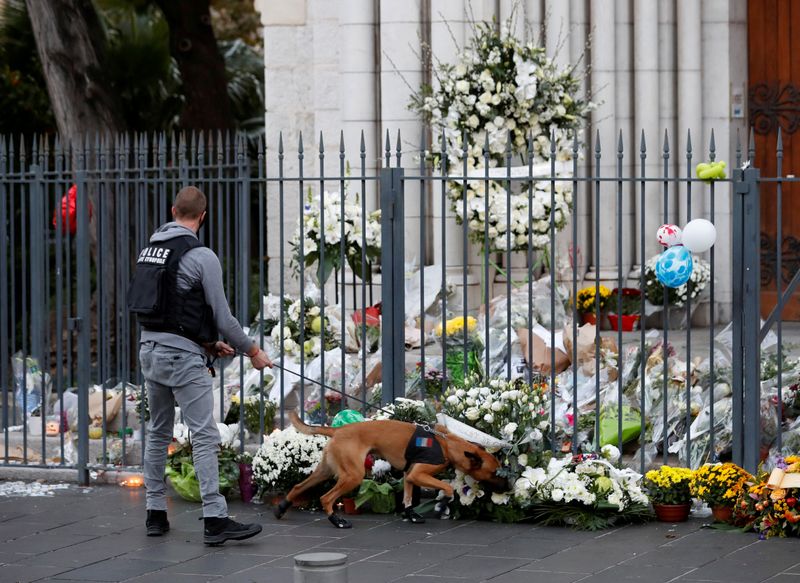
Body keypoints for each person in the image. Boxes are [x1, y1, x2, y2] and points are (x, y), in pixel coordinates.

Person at [130, 186, 272, 546]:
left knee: (159, 431)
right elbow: (223, 316)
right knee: (205, 435)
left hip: (149, 350)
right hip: (181, 359)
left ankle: (155, 515)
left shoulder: (151, 250)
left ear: (173, 209)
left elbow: (164, 309)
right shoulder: (201, 255)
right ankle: (215, 519)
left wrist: (208, 343)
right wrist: (253, 350)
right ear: (202, 217)